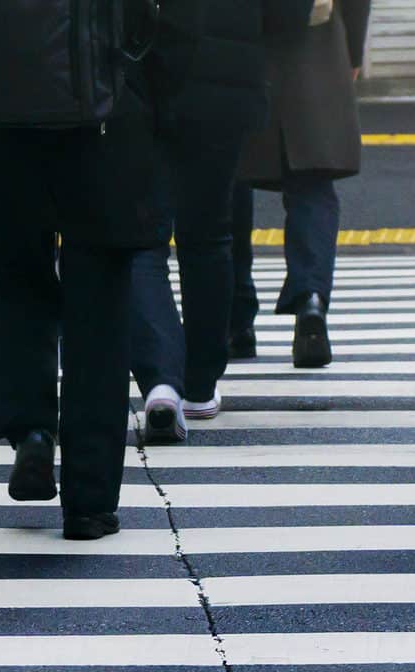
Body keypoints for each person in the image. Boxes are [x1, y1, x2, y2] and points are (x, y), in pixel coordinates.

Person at [0, 0, 171, 540]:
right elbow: (168, 27)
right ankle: (90, 501)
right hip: (107, 128)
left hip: (4, 132)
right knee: (100, 311)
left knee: (16, 279)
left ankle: (31, 430)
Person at [131, 0, 300, 438]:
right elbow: (289, 16)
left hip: (142, 79)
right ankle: (201, 386)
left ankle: (160, 381)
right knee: (208, 237)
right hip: (229, 79)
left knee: (143, 240)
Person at [235, 0, 370, 370]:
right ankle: (311, 299)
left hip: (241, 53)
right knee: (312, 184)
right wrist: (353, 50)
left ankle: (234, 318)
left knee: (228, 183)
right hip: (317, 47)